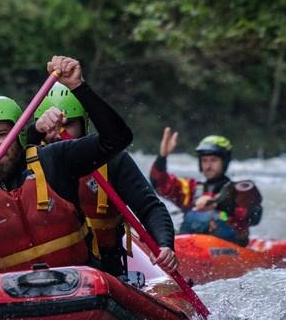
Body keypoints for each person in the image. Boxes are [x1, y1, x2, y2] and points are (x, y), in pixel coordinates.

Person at [0, 56, 175, 276]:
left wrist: (78, 86)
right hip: (14, 294)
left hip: (92, 281)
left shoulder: (58, 161)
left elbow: (117, 140)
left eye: (2, 135)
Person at [25, 82, 177, 276]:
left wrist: (164, 244)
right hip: (42, 275)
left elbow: (149, 207)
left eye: (67, 125)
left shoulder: (112, 161)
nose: (57, 133)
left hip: (106, 274)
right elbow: (8, 161)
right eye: (49, 128)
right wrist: (35, 130)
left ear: (84, 124)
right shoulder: (26, 166)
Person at [150, 129, 262, 246]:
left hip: (229, 248)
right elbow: (160, 184)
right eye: (204, 160)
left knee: (210, 216)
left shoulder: (238, 191)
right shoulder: (191, 189)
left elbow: (254, 215)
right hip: (193, 247)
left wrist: (218, 204)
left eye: (213, 160)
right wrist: (162, 158)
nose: (208, 166)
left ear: (224, 162)